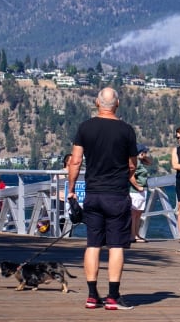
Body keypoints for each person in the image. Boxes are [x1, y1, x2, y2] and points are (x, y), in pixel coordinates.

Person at [67, 87, 137, 310]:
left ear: (97, 103)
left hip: (93, 194)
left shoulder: (85, 127)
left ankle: (91, 296)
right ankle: (113, 298)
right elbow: (132, 164)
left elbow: (75, 161)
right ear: (117, 104)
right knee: (116, 246)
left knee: (93, 245)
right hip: (116, 194)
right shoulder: (127, 130)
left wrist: (70, 189)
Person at [129, 143, 151, 243]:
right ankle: (132, 235)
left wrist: (143, 157)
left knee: (138, 214)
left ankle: (136, 234)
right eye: (144, 152)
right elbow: (131, 176)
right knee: (134, 214)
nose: (146, 154)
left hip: (142, 190)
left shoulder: (141, 161)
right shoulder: (135, 162)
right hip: (135, 191)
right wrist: (137, 187)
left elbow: (150, 163)